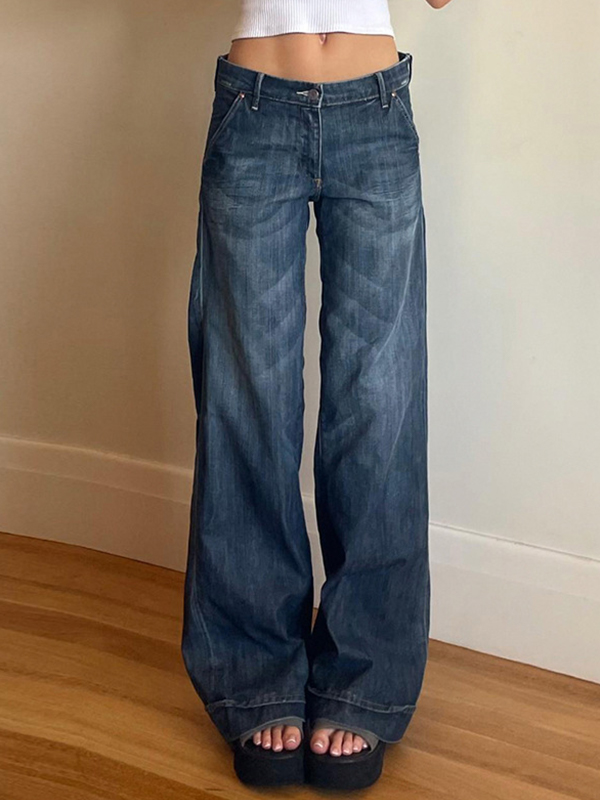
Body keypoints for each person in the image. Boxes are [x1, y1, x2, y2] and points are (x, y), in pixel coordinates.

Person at [181, 0, 452, 790]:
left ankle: (364, 678)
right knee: (247, 400)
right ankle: (255, 675)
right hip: (254, 106)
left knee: (380, 404)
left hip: (376, 110)